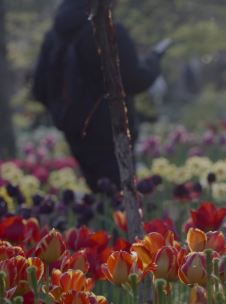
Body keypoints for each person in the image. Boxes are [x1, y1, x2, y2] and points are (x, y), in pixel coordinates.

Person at [32, 0, 162, 192]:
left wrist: (67, 110)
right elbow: (134, 80)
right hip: (113, 130)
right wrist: (153, 63)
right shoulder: (110, 31)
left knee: (100, 194)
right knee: (121, 196)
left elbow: (39, 89)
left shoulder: (53, 38)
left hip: (75, 131)